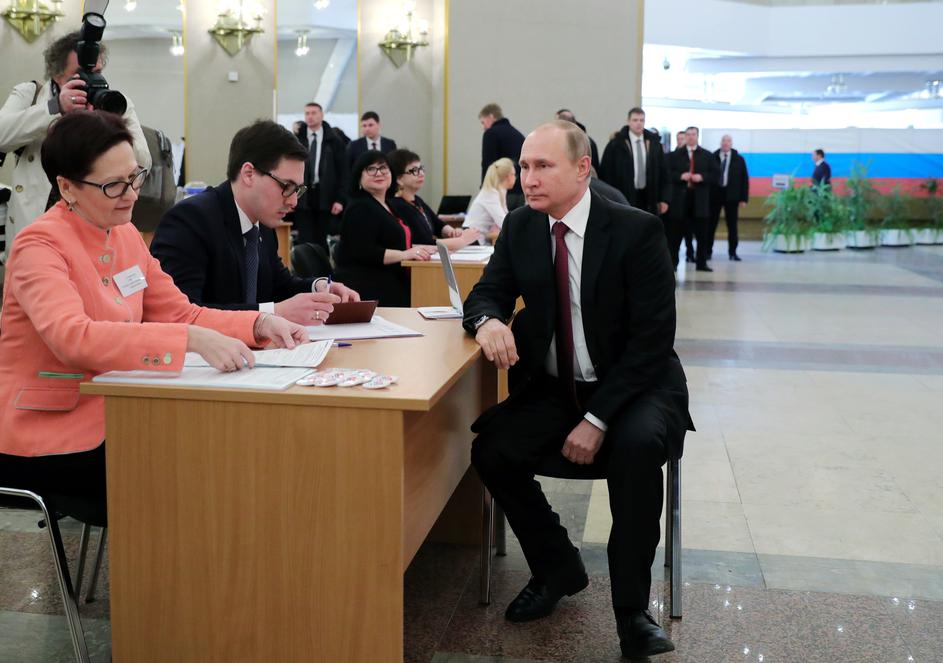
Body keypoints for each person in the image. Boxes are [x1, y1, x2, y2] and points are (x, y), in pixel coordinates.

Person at [0, 111, 306, 519]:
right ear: (67, 187)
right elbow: (73, 338)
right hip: (50, 430)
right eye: (113, 185)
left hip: (120, 409)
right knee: (190, 469)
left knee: (225, 446)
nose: (131, 195)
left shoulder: (124, 234)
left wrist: (258, 323)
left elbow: (180, 313)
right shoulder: (39, 246)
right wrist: (188, 341)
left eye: (135, 178)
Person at [462, 120, 692, 660]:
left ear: (582, 168)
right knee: (492, 449)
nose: (529, 178)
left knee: (636, 448)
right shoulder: (522, 227)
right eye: (524, 166)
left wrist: (598, 419)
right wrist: (488, 321)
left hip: (636, 386)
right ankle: (557, 567)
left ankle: (632, 612)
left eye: (543, 166)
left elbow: (652, 342)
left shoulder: (635, 230)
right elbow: (486, 293)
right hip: (557, 386)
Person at [151, 120, 358, 326]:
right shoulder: (190, 220)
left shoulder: (262, 223)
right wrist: (272, 314)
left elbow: (279, 286)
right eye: (286, 186)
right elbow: (180, 313)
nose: (294, 201)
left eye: (298, 190)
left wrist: (318, 288)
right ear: (249, 174)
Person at [0, 30, 151, 261]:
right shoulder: (31, 94)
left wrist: (107, 121)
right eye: (81, 74)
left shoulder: (114, 101)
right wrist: (54, 108)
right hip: (37, 222)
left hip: (94, 222)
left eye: (97, 72)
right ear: (57, 74)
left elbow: (142, 162)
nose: (91, 80)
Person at [334, 151, 436, 306]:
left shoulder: (386, 204)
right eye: (371, 169)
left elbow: (392, 242)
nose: (379, 173)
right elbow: (366, 252)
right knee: (428, 296)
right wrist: (405, 254)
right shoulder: (360, 207)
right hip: (368, 285)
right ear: (359, 177)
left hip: (389, 278)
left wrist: (419, 249)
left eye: (383, 168)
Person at [387, 148, 480, 249]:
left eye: (421, 168)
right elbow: (424, 242)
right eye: (415, 171)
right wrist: (462, 240)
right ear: (399, 179)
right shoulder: (397, 205)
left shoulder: (416, 200)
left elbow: (438, 224)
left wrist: (452, 232)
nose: (421, 173)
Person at [291, 102, 348, 248]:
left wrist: (340, 199)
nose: (310, 116)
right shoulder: (297, 139)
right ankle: (304, 263)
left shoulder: (334, 140)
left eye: (314, 113)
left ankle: (321, 263)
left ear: (321, 115)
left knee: (322, 241)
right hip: (303, 193)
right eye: (307, 113)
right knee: (304, 241)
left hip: (326, 196)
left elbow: (343, 172)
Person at [598, 107, 670, 217]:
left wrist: (664, 199)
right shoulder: (616, 144)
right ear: (628, 121)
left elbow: (664, 172)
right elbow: (606, 172)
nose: (638, 123)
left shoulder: (654, 144)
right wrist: (608, 198)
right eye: (635, 120)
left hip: (649, 196)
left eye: (642, 120)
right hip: (624, 195)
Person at [669, 126, 718, 271]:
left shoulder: (707, 155)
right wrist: (680, 176)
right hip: (680, 200)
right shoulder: (675, 155)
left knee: (702, 234)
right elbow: (667, 173)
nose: (691, 137)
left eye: (693, 134)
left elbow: (716, 175)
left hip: (700, 200)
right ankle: (673, 263)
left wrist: (702, 177)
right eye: (688, 134)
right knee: (676, 234)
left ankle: (701, 263)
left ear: (697, 136)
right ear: (685, 137)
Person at [710, 134, 749, 261]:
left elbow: (744, 180)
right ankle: (707, 251)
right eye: (723, 140)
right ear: (720, 143)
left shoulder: (739, 159)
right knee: (711, 225)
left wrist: (743, 198)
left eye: (728, 141)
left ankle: (733, 252)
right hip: (715, 196)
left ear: (731, 143)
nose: (725, 143)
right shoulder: (713, 157)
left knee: (732, 226)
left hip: (732, 196)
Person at [479, 103, 525, 209]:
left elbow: (488, 164)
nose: (483, 127)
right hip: (520, 193)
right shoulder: (518, 134)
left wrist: (484, 190)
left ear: (491, 116)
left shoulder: (491, 134)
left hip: (501, 193)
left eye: (483, 122)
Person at [464, 157, 515, 243]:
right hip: (471, 239)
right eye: (514, 174)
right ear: (508, 176)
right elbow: (503, 222)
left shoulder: (499, 192)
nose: (515, 178)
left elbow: (506, 219)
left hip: (478, 239)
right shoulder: (490, 194)